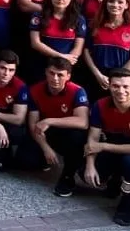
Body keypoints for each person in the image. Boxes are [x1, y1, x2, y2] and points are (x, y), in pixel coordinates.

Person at [82, 69, 130, 226]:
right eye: (115, 86)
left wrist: (102, 146)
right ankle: (115, 180)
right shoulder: (100, 105)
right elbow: (93, 140)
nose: (120, 91)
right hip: (116, 146)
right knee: (86, 173)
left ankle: (128, 202)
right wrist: (90, 166)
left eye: (125, 86)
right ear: (109, 86)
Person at [19, 58, 90, 197]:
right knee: (25, 160)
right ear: (46, 72)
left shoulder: (77, 91)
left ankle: (68, 177)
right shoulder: (35, 90)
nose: (55, 78)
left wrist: (49, 121)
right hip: (45, 133)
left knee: (78, 137)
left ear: (68, 76)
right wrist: (46, 148)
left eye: (60, 75)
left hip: (67, 132)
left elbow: (83, 122)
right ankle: (45, 160)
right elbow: (33, 124)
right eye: (52, 73)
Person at [80, 0, 130, 100]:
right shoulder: (94, 26)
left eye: (120, 2)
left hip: (121, 81)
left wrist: (117, 77)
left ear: (126, 5)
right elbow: (86, 51)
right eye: (111, 1)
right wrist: (97, 74)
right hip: (95, 77)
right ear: (105, 4)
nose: (115, 5)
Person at [27, 0, 86, 83]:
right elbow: (35, 43)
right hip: (42, 64)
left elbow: (78, 48)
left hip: (66, 66)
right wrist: (60, 56)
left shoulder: (79, 19)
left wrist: (65, 63)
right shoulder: (39, 16)